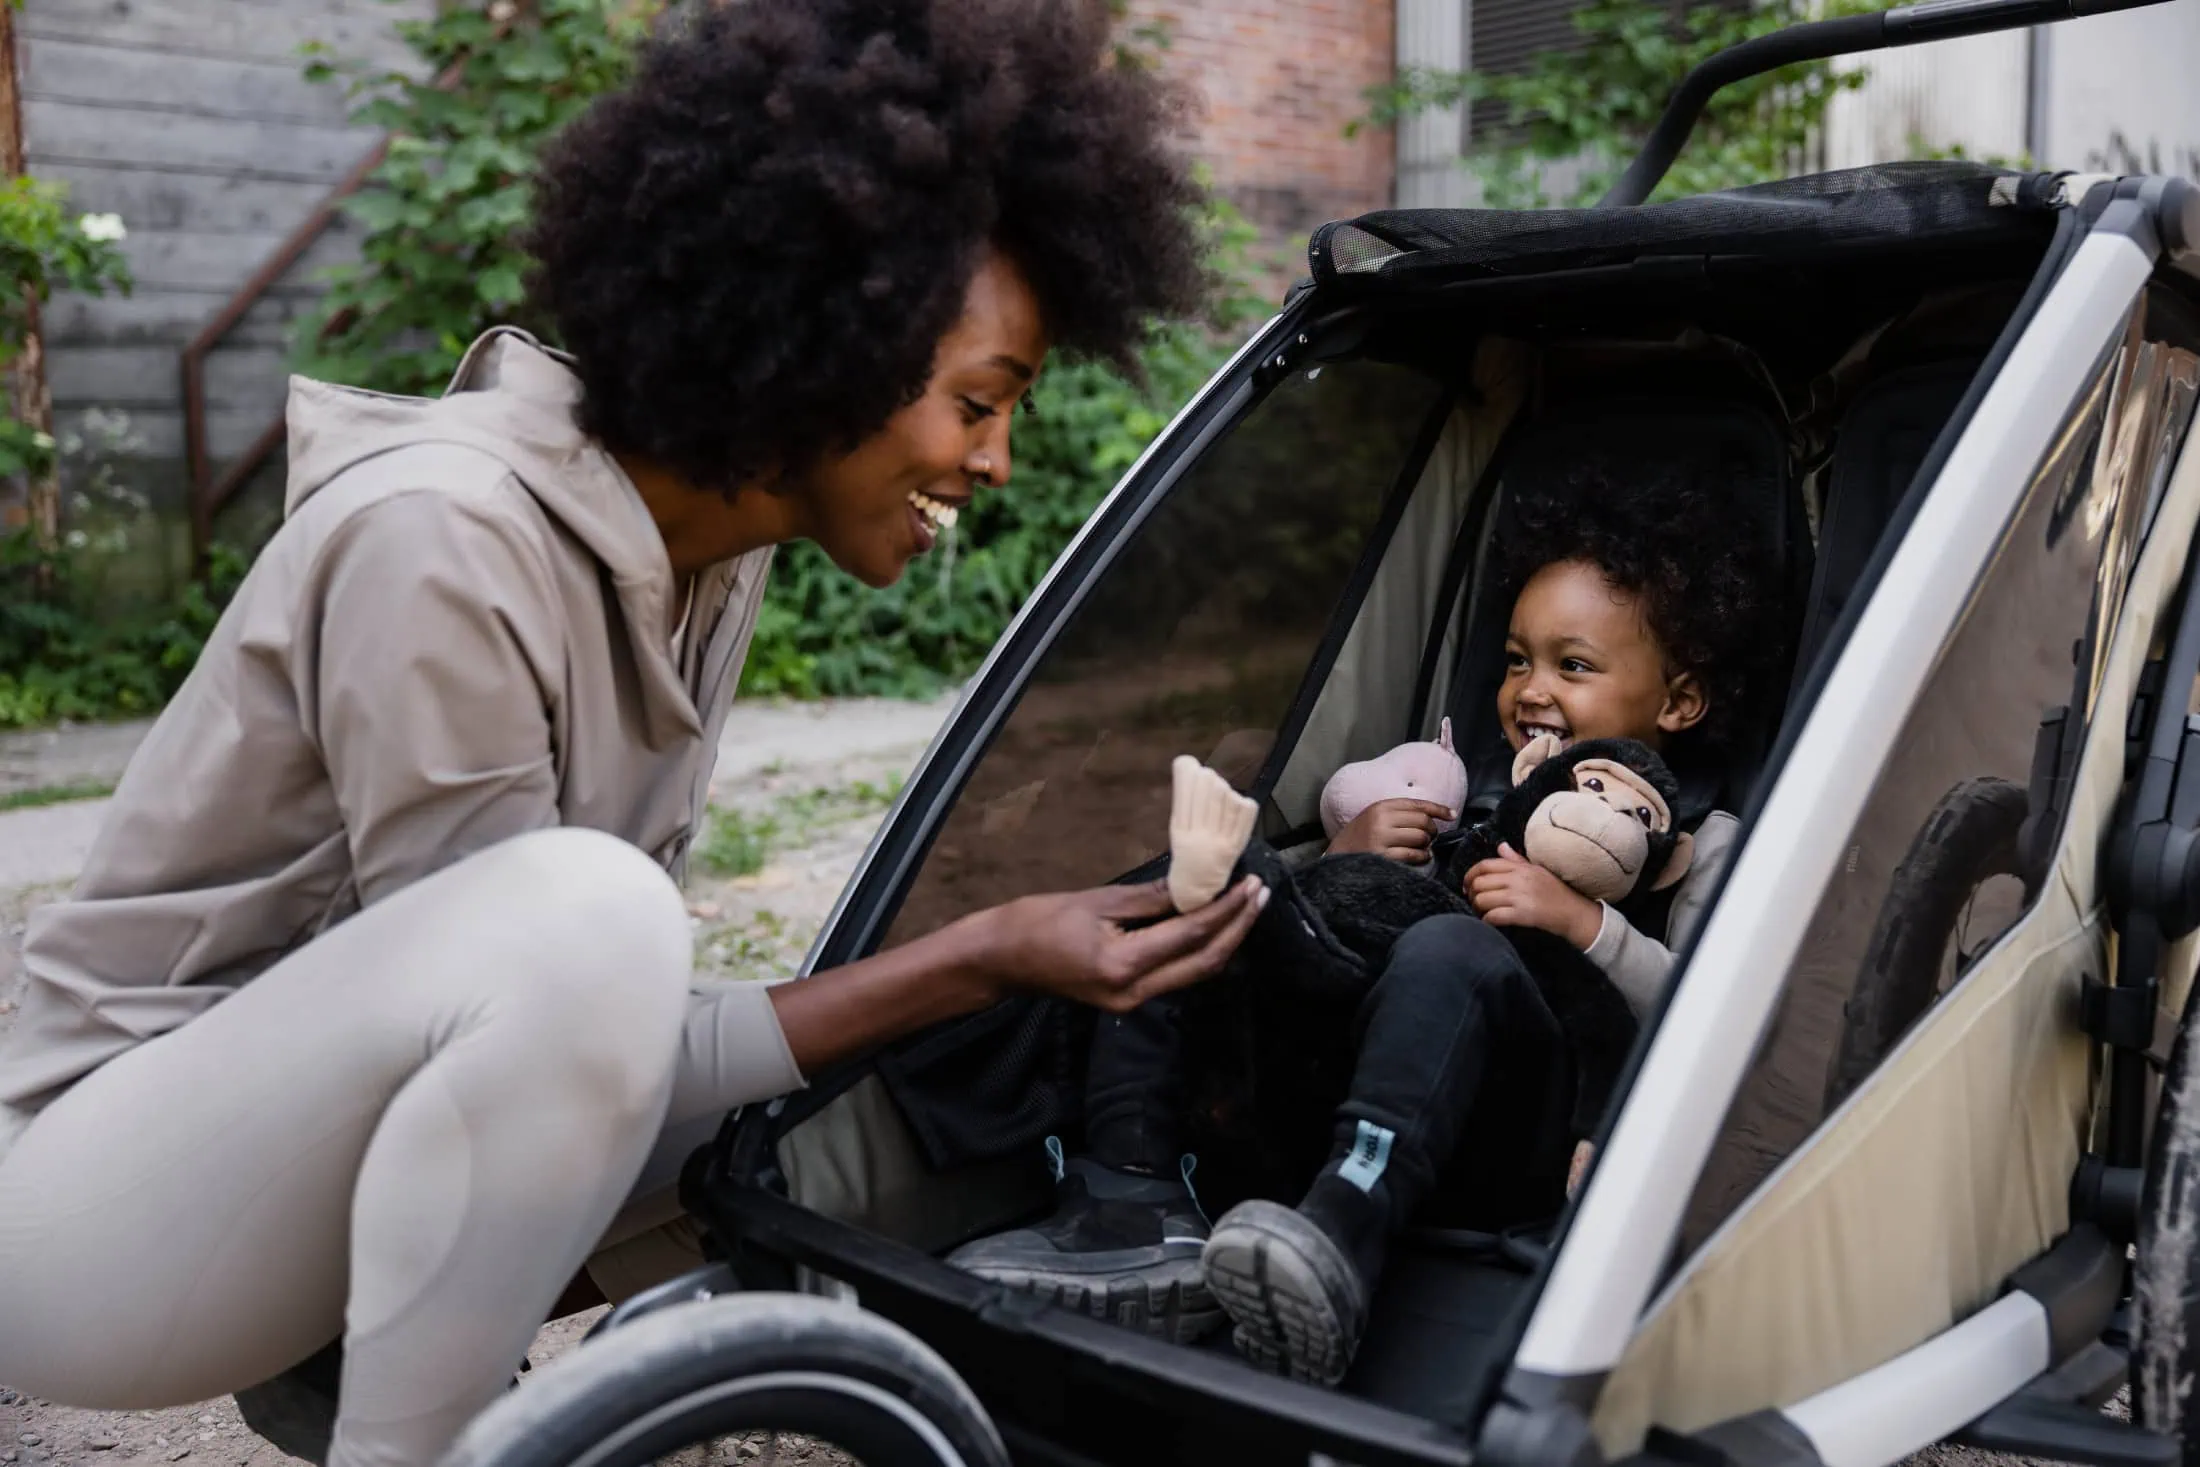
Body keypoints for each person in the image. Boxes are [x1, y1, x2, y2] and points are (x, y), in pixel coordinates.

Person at [0, 4, 1269, 1463]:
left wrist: (990, 963)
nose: (992, 460)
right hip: (89, 1224)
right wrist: (964, 954)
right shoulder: (444, 536)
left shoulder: (711, 559)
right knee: (606, 924)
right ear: (822, 340)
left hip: (289, 1189)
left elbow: (579, 1045)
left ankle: (367, 1366)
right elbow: (540, 999)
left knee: (834, 1062)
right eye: (979, 403)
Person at [950, 461, 1783, 1384]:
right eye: (1515, 660)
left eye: (1572, 665)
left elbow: (1719, 1023)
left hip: (1529, 1137)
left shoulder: (1710, 848)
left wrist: (1588, 925)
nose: (1529, 690)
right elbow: (1360, 925)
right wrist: (1348, 852)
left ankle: (1339, 1243)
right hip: (1367, 1085)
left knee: (1451, 949)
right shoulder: (1475, 799)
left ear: (1679, 700)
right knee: (1210, 888)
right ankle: (1132, 1194)